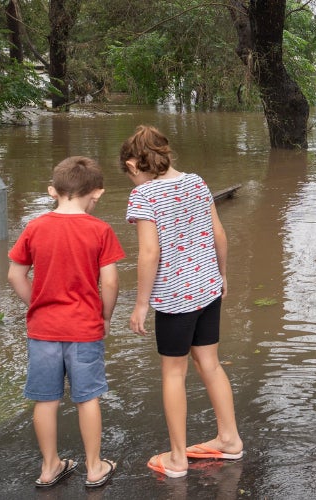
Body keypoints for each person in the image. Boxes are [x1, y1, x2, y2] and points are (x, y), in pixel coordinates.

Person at [121, 125, 244, 478]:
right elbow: (219, 232)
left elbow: (149, 252)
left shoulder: (144, 196)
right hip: (207, 288)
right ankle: (229, 439)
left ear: (133, 164)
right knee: (210, 364)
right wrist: (221, 275)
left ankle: (177, 458)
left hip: (175, 299)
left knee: (173, 373)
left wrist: (141, 304)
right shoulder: (196, 182)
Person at [7, 156, 124, 488]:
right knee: (87, 397)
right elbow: (111, 282)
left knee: (46, 400)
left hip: (43, 329)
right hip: (85, 329)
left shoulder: (35, 227)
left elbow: (15, 274)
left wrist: (38, 304)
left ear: (52, 191)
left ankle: (49, 467)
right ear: (96, 193)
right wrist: (104, 316)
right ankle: (94, 467)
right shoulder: (100, 230)